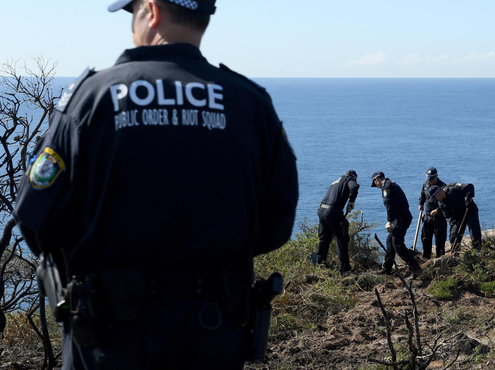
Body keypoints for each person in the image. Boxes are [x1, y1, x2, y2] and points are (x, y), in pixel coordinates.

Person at [13, 1, 299, 369]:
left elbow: (36, 216)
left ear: (151, 10)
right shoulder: (249, 101)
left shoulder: (92, 96)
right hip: (214, 327)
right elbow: (277, 220)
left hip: (109, 335)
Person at [372, 171, 421, 274]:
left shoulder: (386, 186)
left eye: (375, 183)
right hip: (401, 216)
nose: (376, 186)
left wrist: (389, 221)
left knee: (397, 243)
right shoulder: (391, 184)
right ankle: (387, 267)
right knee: (390, 241)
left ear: (376, 179)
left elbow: (389, 204)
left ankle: (415, 268)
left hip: (400, 218)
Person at [314, 170, 359, 273]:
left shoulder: (334, 182)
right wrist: (351, 202)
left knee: (324, 239)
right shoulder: (349, 180)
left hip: (321, 210)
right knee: (342, 239)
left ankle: (319, 264)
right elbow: (354, 187)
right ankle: (344, 269)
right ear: (354, 177)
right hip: (332, 212)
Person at [429, 182, 482, 250]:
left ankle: (477, 250)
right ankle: (455, 252)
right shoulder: (441, 204)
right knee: (454, 235)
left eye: (434, 197)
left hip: (469, 210)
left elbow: (469, 186)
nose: (435, 200)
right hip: (458, 216)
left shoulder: (453, 188)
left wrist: (468, 197)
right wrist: (455, 227)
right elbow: (450, 218)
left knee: (473, 229)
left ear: (438, 192)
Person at [418, 167, 447, 259]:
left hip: (439, 217)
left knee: (439, 239)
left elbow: (446, 203)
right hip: (427, 216)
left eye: (431, 179)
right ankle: (426, 257)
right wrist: (421, 203)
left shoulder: (443, 186)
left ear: (436, 176)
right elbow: (422, 195)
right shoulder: (426, 184)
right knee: (425, 238)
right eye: (428, 179)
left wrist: (437, 210)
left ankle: (440, 258)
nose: (430, 181)